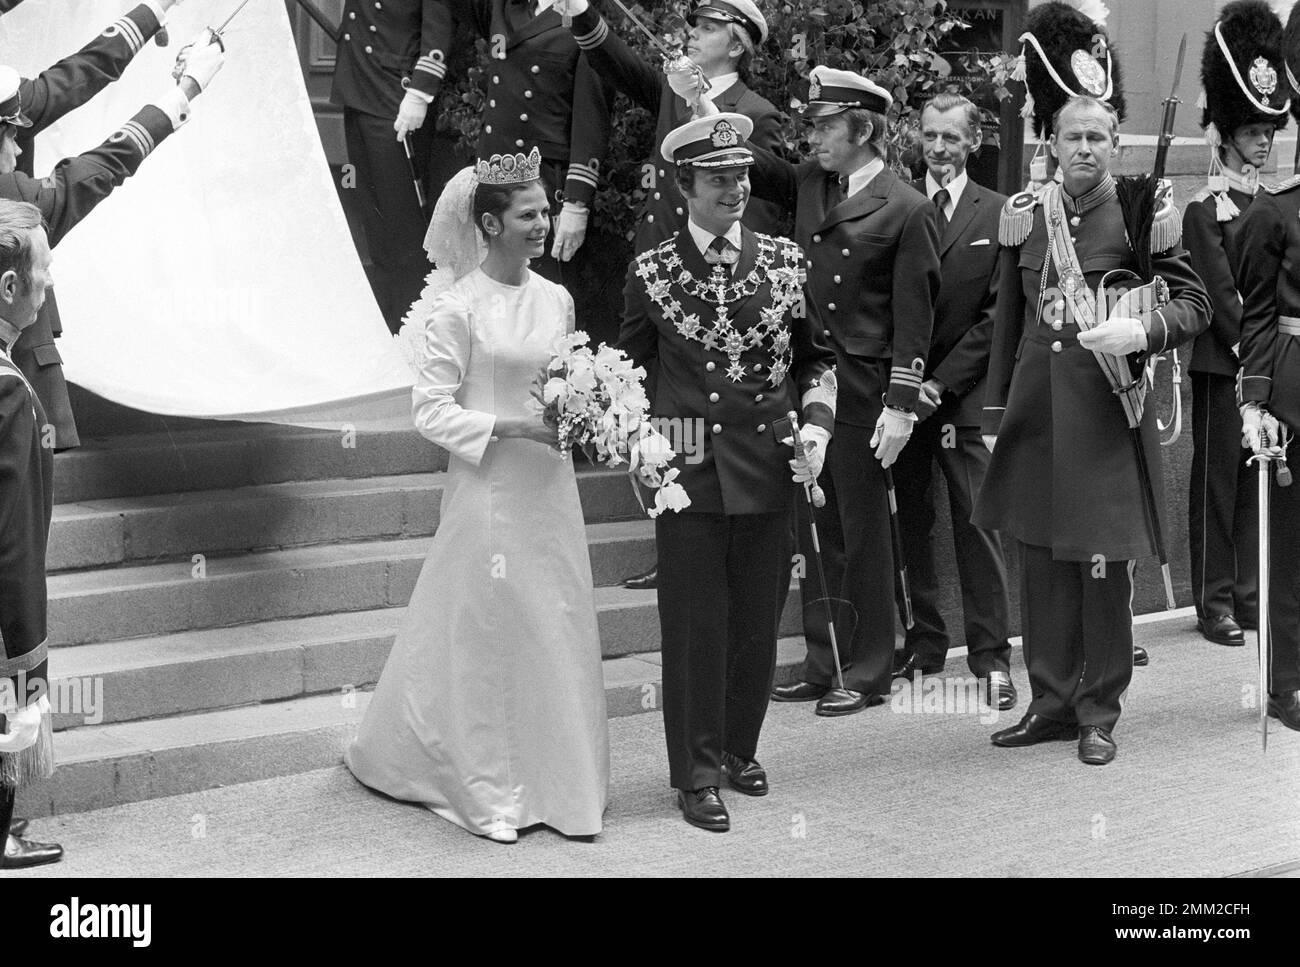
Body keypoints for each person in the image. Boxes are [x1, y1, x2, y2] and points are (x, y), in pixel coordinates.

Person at [345, 148, 609, 843]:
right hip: (490, 486)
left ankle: (563, 781)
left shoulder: (557, 298)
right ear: (489, 225)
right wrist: (513, 425)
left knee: (552, 615)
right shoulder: (459, 308)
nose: (545, 223)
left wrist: (588, 409)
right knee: (492, 625)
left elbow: (568, 373)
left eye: (546, 210)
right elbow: (429, 409)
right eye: (530, 214)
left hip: (550, 486)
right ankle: (492, 787)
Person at [976, 94, 1211, 766]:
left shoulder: (1144, 213)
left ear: (1116, 146)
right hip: (1037, 413)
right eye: (1072, 137)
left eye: (1097, 138)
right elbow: (1009, 325)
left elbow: (1193, 304)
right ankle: (1050, 701)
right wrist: (996, 415)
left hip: (1109, 410)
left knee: (1102, 565)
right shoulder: (1025, 217)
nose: (1084, 148)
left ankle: (1098, 709)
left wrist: (1144, 329)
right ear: (1051, 143)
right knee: (1042, 559)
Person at [619, 112, 835, 831]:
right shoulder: (652, 270)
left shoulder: (783, 262)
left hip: (770, 464)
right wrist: (643, 449)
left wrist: (818, 426)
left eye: (740, 175)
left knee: (755, 621)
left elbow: (815, 359)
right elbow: (631, 373)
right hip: (688, 469)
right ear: (686, 186)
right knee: (693, 625)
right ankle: (696, 771)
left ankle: (740, 748)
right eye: (717, 178)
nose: (734, 188)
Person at [558, 0, 784, 591]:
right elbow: (621, 66)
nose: (693, 34)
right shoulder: (672, 87)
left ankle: (717, 543)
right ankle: (674, 539)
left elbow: (757, 208)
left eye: (708, 28)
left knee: (710, 421)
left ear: (736, 45)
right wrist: (584, 14)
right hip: (661, 281)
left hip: (716, 292)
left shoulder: (756, 113)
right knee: (664, 418)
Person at [745, 66, 940, 717]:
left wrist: (901, 404)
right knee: (816, 528)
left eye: (827, 125)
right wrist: (694, 93)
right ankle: (824, 656)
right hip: (807, 386)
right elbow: (744, 157)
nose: (815, 135)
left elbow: (916, 318)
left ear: (862, 129)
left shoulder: (906, 207)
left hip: (865, 393)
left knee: (863, 534)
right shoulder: (807, 182)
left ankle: (871, 664)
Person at [4, 0, 181, 451]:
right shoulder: (18, 197)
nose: (15, 145)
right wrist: (182, 93)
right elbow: (75, 87)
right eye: (9, 134)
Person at [889, 92, 1015, 711]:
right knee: (911, 520)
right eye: (930, 136)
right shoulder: (899, 206)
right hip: (901, 395)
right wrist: (908, 389)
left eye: (952, 138)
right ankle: (925, 643)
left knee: (977, 523)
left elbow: (998, 317)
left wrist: (940, 384)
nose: (939, 149)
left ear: (975, 142)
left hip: (963, 400)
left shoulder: (999, 213)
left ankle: (993, 659)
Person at [395, 0, 616, 341]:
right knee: (482, 297)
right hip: (491, 178)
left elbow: (591, 120)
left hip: (541, 186)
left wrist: (577, 202)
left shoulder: (584, 18)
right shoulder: (504, 6)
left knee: (533, 307)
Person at [1184, 1, 1290, 648]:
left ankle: (1249, 594)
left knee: (1259, 480)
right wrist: (1258, 358)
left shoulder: (1272, 207)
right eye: (1251, 131)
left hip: (1267, 365)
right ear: (1225, 133)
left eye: (1267, 131)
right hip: (1225, 365)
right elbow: (1223, 299)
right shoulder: (1206, 208)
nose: (1262, 141)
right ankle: (1214, 598)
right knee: (1218, 485)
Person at [332, 0, 465, 334]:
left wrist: (420, 93)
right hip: (359, 84)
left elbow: (439, 28)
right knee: (373, 223)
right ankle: (390, 328)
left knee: (402, 227)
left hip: (396, 98)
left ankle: (414, 334)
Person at [0, 199, 60, 869]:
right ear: (10, 287)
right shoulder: (9, 390)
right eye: (41, 270)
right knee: (6, 722)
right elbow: (12, 538)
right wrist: (24, 652)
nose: (48, 283)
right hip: (2, 613)